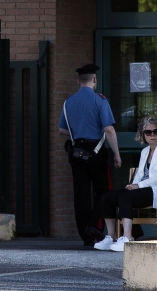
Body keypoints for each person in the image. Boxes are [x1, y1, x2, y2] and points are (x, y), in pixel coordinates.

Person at [58, 64, 122, 246]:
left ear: (79, 81)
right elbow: (108, 129)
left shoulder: (68, 102)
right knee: (103, 190)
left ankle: (85, 235)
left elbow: (62, 129)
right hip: (96, 150)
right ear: (94, 79)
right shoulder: (100, 101)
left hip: (77, 151)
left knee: (81, 194)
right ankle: (94, 225)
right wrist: (116, 153)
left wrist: (78, 132)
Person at [94, 116, 157, 252]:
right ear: (142, 135)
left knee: (126, 198)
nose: (152, 135)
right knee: (107, 198)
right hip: (146, 188)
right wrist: (133, 185)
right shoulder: (145, 151)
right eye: (148, 132)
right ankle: (111, 236)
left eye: (156, 131)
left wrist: (139, 186)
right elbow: (139, 173)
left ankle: (127, 237)